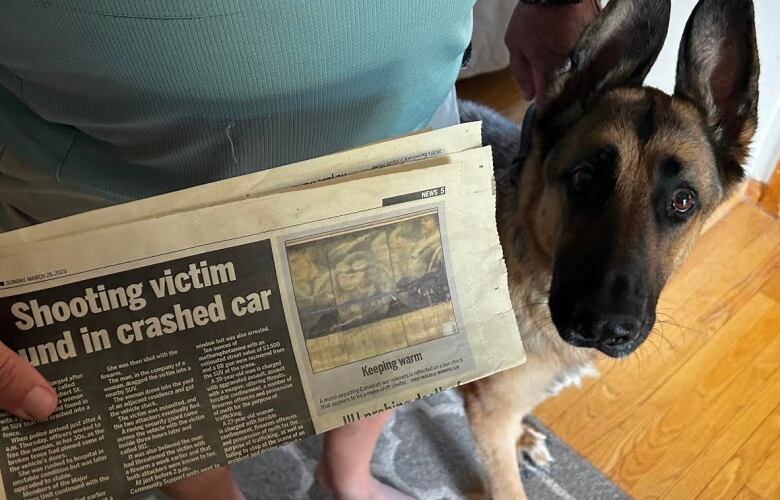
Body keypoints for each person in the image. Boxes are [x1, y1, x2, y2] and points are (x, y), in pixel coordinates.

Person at [0, 1, 599, 498]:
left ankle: (347, 477)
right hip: (98, 175)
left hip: (402, 128)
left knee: (392, 336)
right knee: (166, 388)